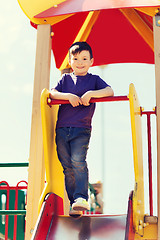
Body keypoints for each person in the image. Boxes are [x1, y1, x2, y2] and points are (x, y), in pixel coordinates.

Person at [49, 42, 114, 216]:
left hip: (81, 128)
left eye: (84, 59)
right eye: (76, 59)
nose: (80, 62)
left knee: (78, 161)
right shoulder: (65, 80)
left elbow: (110, 91)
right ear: (70, 61)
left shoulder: (93, 80)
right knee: (67, 167)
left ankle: (81, 198)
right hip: (62, 128)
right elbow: (52, 93)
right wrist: (68, 96)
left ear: (91, 61)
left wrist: (91, 93)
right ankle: (75, 203)